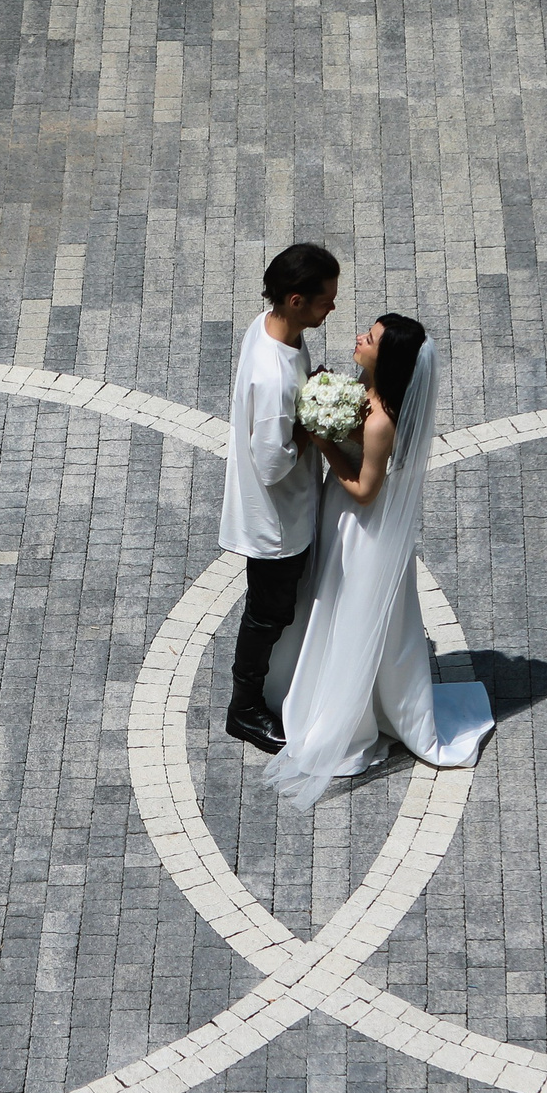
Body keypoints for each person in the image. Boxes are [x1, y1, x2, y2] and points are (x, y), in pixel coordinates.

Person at [262, 313, 492, 810]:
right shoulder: (362, 389)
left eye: (371, 339)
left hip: (363, 527)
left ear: (387, 360)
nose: (360, 337)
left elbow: (366, 491)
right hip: (341, 514)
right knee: (336, 605)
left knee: (353, 615)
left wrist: (322, 442)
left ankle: (352, 715)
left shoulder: (382, 417)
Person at [219, 243, 339, 754]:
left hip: (286, 510)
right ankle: (244, 709)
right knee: (268, 613)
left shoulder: (269, 328)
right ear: (295, 300)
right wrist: (313, 428)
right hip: (276, 521)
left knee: (274, 609)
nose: (331, 307)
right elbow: (272, 463)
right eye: (324, 300)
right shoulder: (273, 377)